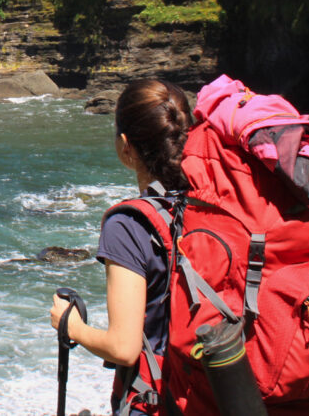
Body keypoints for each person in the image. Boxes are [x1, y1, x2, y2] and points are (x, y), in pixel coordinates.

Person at [50, 79, 193, 416]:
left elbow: (123, 347)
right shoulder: (213, 206)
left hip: (160, 399)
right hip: (215, 390)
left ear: (126, 146)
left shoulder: (128, 225)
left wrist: (71, 326)